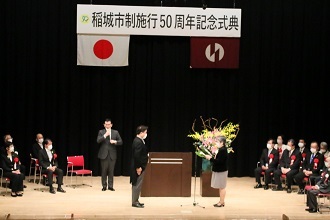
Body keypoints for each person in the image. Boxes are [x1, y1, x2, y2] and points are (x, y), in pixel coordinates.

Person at [96, 118, 123, 191]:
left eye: (109, 124)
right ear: (104, 125)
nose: (107, 126)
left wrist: (115, 141)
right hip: (103, 154)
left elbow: (121, 141)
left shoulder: (115, 132)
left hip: (112, 154)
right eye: (106, 124)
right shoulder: (101, 132)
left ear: (111, 125)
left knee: (111, 171)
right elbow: (98, 141)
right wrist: (105, 135)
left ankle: (110, 186)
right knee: (104, 171)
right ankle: (104, 186)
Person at [205, 136, 228, 207]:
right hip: (219, 170)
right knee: (220, 187)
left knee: (222, 187)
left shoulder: (223, 150)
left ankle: (221, 202)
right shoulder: (221, 149)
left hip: (221, 171)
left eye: (217, 142)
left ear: (222, 143)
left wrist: (210, 158)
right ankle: (221, 201)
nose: (216, 143)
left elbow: (220, 161)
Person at [130, 125, 148, 208]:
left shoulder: (139, 140)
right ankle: (134, 201)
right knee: (136, 184)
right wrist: (138, 167)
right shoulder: (137, 141)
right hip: (138, 167)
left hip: (140, 166)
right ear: (141, 133)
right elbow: (137, 156)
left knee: (138, 184)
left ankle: (136, 200)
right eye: (145, 132)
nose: (146, 134)